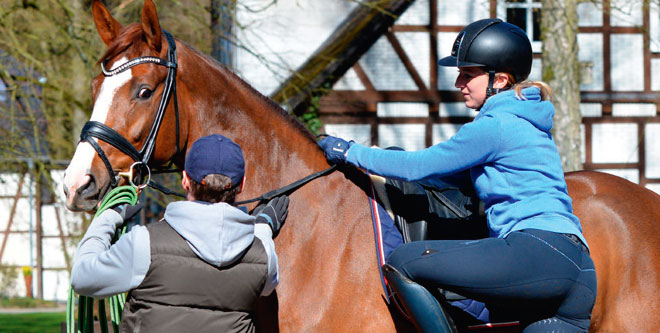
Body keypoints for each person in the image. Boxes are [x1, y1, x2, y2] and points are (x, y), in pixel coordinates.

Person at [319, 18, 596, 332]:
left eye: (467, 74)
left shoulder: (495, 125)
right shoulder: (529, 124)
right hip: (579, 273)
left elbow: (418, 167)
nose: (458, 84)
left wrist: (348, 151)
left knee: (405, 262)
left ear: (500, 80)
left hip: (535, 253)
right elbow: (447, 180)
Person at [71, 134, 289, 333]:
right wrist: (263, 225)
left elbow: (83, 277)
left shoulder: (144, 243)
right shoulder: (264, 257)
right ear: (241, 185)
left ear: (185, 179)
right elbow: (267, 283)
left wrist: (108, 217)